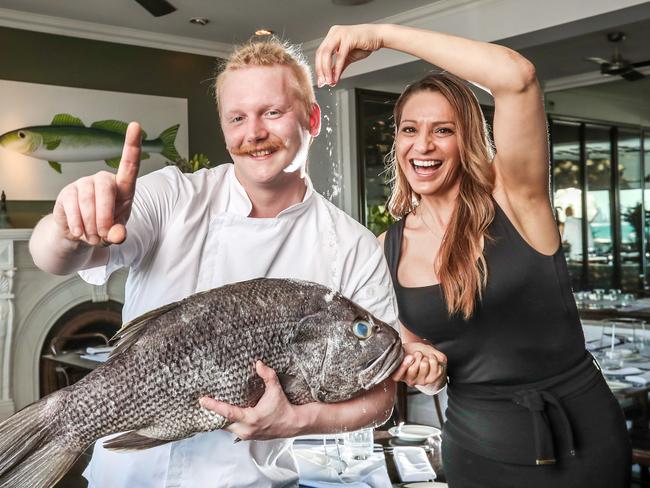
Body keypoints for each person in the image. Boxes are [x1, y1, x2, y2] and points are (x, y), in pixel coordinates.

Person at [29, 37, 445, 487]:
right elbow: (54, 258)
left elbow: (381, 400)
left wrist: (297, 421)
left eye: (273, 112)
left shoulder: (353, 245)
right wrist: (66, 225)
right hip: (129, 478)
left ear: (313, 118)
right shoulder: (173, 195)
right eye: (238, 118)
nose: (254, 133)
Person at [315, 24, 631, 487]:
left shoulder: (517, 199)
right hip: (477, 450)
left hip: (583, 438)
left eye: (443, 130)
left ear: (467, 138)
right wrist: (424, 369)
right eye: (409, 130)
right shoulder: (387, 248)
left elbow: (516, 75)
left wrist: (380, 35)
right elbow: (418, 361)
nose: (422, 146)